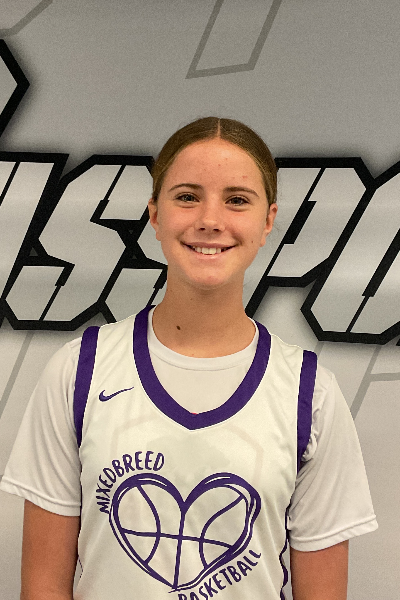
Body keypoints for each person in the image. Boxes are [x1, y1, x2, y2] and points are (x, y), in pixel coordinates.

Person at [0, 117, 378, 600]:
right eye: (187, 196)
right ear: (155, 214)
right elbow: (43, 589)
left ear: (268, 221)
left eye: (237, 199)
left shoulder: (310, 392)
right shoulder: (79, 371)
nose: (210, 220)